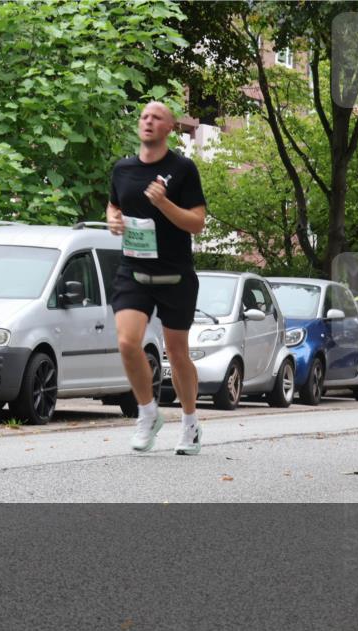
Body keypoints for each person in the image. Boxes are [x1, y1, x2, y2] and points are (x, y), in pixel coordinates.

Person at [107, 101, 207, 455]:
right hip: (134, 270)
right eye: (144, 117)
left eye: (157, 118)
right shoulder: (123, 169)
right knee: (126, 342)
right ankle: (148, 412)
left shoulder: (182, 169)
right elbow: (115, 203)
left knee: (177, 354)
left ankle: (190, 423)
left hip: (175, 274)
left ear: (169, 128)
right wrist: (113, 219)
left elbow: (197, 222)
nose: (148, 122)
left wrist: (164, 204)